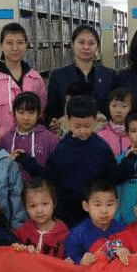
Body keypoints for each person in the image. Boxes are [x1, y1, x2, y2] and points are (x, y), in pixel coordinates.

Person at [19, 95, 118, 227]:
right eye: (77, 126)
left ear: (95, 120)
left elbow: (112, 177)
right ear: (68, 121)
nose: (82, 131)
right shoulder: (61, 149)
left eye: (87, 126)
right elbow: (48, 177)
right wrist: (26, 160)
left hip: (95, 212)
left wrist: (130, 160)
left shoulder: (102, 148)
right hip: (66, 213)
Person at [0, 22, 47, 133]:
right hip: (1, 140)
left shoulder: (35, 78)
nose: (15, 48)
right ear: (1, 45)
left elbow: (41, 112)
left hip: (32, 138)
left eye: (20, 43)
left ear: (26, 45)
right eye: (9, 43)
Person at [45, 24, 117, 126]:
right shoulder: (58, 76)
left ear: (97, 47)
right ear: (72, 45)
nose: (86, 47)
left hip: (102, 131)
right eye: (81, 42)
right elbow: (51, 111)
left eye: (91, 43)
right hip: (68, 132)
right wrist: (54, 123)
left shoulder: (110, 75)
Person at [0, 92, 58, 181]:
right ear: (14, 113)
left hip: (41, 187)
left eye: (31, 113)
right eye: (21, 112)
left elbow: (56, 169)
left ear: (39, 114)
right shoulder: (6, 139)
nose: (26, 118)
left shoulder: (49, 138)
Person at [62, 179, 124, 264]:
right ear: (86, 206)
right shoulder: (77, 234)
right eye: (97, 205)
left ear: (117, 204)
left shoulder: (123, 229)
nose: (104, 210)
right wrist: (81, 260)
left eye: (109, 204)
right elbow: (69, 256)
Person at [13, 179, 69, 257]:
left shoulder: (64, 234)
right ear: (25, 208)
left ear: (54, 203)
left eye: (45, 204)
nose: (39, 210)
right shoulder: (21, 233)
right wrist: (19, 249)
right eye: (33, 206)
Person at [99, 88, 135, 157]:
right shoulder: (100, 134)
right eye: (114, 106)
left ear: (131, 108)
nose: (118, 110)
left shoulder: (136, 133)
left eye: (124, 106)